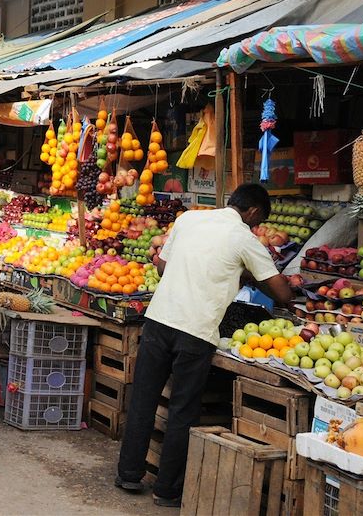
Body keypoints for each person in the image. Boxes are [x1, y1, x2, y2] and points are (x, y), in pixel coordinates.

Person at [114, 183, 293, 507]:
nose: (256, 226)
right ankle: (166, 491)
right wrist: (246, 277)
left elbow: (161, 265)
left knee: (142, 399)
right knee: (183, 411)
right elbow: (281, 292)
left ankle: (128, 474)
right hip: (196, 331)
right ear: (252, 212)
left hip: (159, 319)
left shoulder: (189, 219)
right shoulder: (244, 238)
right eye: (257, 220)